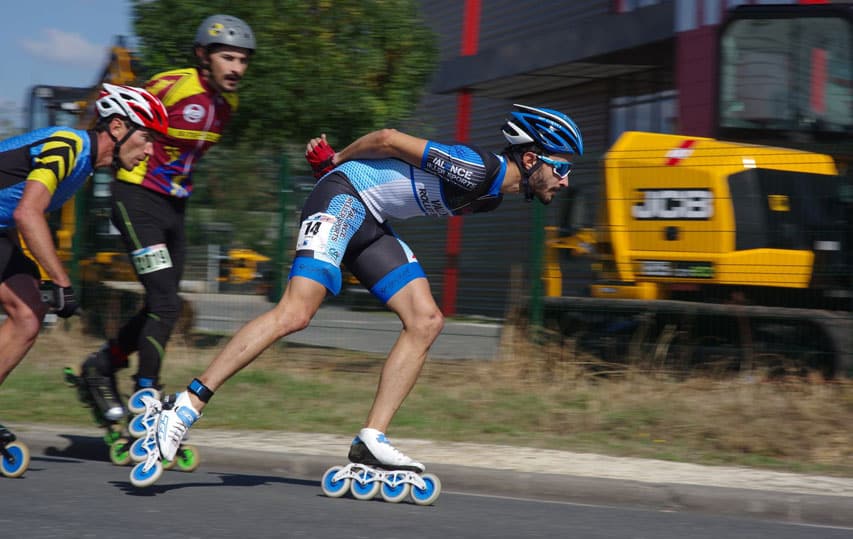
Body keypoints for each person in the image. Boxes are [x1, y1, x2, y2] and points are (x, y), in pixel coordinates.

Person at [151, 103, 583, 470]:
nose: (565, 181)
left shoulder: (491, 196)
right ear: (531, 160)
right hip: (342, 198)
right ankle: (186, 405)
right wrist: (335, 159)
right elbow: (390, 139)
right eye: (561, 168)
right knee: (296, 313)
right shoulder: (475, 172)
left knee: (426, 320)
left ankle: (370, 440)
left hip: (372, 223)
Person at [79, 14, 255, 421]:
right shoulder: (172, 85)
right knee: (165, 303)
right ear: (202, 55)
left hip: (174, 208)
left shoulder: (229, 105)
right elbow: (116, 117)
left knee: (162, 306)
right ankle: (148, 397)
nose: (236, 69)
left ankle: (102, 367)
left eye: (243, 60)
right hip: (136, 198)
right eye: (228, 58)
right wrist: (96, 160)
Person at [0, 83, 168, 436]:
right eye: (148, 138)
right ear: (118, 127)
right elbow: (28, 213)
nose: (151, 151)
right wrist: (60, 279)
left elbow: (13, 206)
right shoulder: (69, 145)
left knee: (29, 314)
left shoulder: (83, 166)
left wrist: (38, 272)